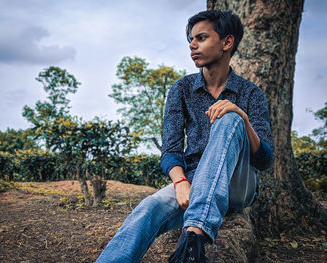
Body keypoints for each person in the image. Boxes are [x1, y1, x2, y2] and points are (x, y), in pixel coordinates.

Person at [96, 9, 273, 263]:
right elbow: (170, 150)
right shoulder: (181, 89)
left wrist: (242, 118)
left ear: (226, 42)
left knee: (230, 117)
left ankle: (194, 235)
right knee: (149, 207)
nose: (192, 45)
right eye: (191, 39)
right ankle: (190, 246)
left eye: (201, 38)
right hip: (193, 182)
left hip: (237, 183)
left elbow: (265, 159)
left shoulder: (251, 93)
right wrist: (180, 182)